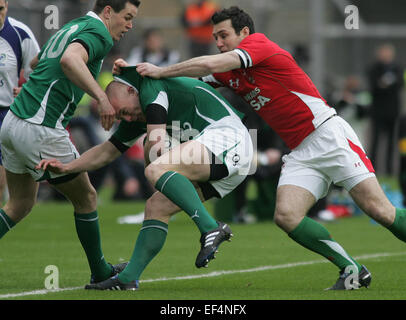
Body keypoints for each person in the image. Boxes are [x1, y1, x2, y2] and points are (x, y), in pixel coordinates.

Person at [122, 6, 406, 290]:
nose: (219, 42)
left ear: (244, 33)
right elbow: (185, 82)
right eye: (215, 37)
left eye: (224, 35)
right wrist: (130, 75)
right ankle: (352, 270)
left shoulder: (258, 44)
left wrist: (160, 70)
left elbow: (206, 65)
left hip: (328, 135)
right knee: (286, 216)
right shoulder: (229, 72)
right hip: (301, 151)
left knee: (380, 211)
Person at [36, 66, 254, 290]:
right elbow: (106, 152)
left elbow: (156, 146)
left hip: (230, 139)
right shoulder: (139, 113)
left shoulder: (150, 87)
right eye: (122, 117)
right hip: (231, 161)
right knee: (156, 206)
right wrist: (67, 166)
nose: (128, 118)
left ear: (131, 91)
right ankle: (128, 278)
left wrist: (154, 159)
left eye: (124, 111)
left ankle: (210, 227)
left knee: (154, 167)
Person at [0, 0, 140, 285]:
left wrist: (33, 83)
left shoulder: (72, 25)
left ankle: (101, 269)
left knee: (20, 203)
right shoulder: (98, 34)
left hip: (12, 122)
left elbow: (40, 62)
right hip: (41, 127)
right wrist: (102, 99)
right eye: (127, 17)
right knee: (87, 197)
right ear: (108, 11)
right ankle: (101, 272)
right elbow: (68, 60)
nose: (130, 25)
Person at [0, 0, 40, 202]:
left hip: (4, 115)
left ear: (6, 5)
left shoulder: (19, 33)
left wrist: (26, 89)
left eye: (0, 9)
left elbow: (41, 73)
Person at [367, 44, 404, 175]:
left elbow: (399, 84)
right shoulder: (374, 69)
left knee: (391, 142)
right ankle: (372, 170)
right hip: (377, 111)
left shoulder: (398, 68)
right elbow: (375, 86)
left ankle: (389, 171)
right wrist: (385, 85)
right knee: (375, 142)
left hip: (392, 111)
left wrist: (385, 85)